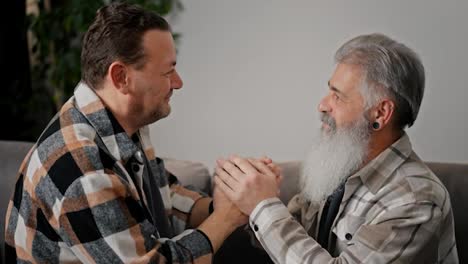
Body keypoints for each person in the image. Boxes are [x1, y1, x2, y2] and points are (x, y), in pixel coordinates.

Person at [4, 3, 249, 263]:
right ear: (121, 77)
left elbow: (158, 197)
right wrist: (226, 217)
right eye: (168, 71)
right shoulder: (83, 170)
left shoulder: (122, 122)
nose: (178, 82)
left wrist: (216, 205)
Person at [215, 33, 459, 263]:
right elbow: (290, 240)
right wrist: (249, 197)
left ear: (380, 112)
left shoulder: (416, 200)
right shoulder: (340, 165)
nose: (322, 105)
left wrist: (263, 206)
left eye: (338, 96)